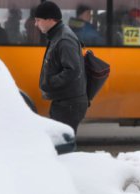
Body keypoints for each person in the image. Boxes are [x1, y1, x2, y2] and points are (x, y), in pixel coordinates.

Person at [34, 1, 88, 134]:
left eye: (38, 20)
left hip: (68, 104)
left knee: (63, 147)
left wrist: (50, 82)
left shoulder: (64, 39)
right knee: (61, 145)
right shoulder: (57, 35)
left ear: (50, 20)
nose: (36, 24)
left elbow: (73, 70)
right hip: (64, 101)